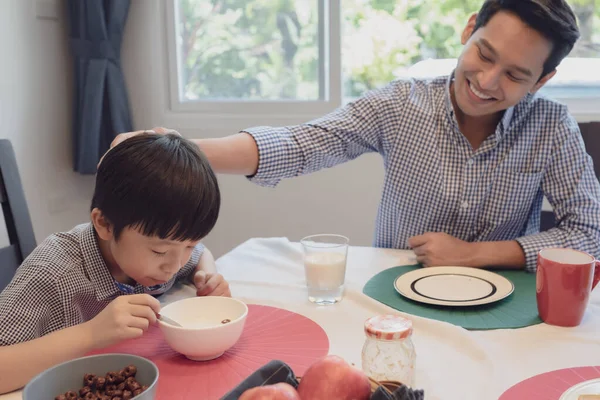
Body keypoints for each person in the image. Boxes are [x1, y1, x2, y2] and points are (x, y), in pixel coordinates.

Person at [112, 0, 600, 273]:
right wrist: (179, 150)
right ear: (468, 30)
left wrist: (474, 254)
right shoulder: (399, 103)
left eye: (515, 75)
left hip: (509, 300)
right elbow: (302, 144)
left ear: (542, 81)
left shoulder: (552, 128)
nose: (488, 81)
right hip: (398, 289)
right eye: (485, 54)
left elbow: (588, 235)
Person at [0, 133, 229, 394]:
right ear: (105, 225)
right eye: (159, 251)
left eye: (187, 245)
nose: (175, 266)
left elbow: (201, 253)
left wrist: (207, 276)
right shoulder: (52, 273)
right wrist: (92, 334)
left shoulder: (164, 255)